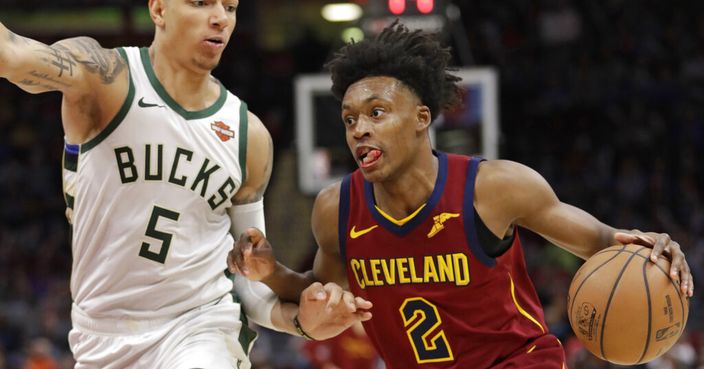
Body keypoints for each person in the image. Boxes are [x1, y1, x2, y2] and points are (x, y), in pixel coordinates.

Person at [228, 21, 694, 368]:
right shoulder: (336, 208)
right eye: (350, 119)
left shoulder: (495, 187)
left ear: (422, 118)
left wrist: (658, 248)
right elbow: (324, 295)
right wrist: (272, 272)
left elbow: (605, 243)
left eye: (377, 112)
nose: (360, 129)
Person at [0, 1, 371, 368]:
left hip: (200, 329)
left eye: (230, 7)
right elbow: (12, 55)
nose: (220, 18)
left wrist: (301, 323)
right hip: (99, 335)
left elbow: (250, 279)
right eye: (201, 2)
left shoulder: (249, 135)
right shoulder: (104, 77)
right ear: (159, 10)